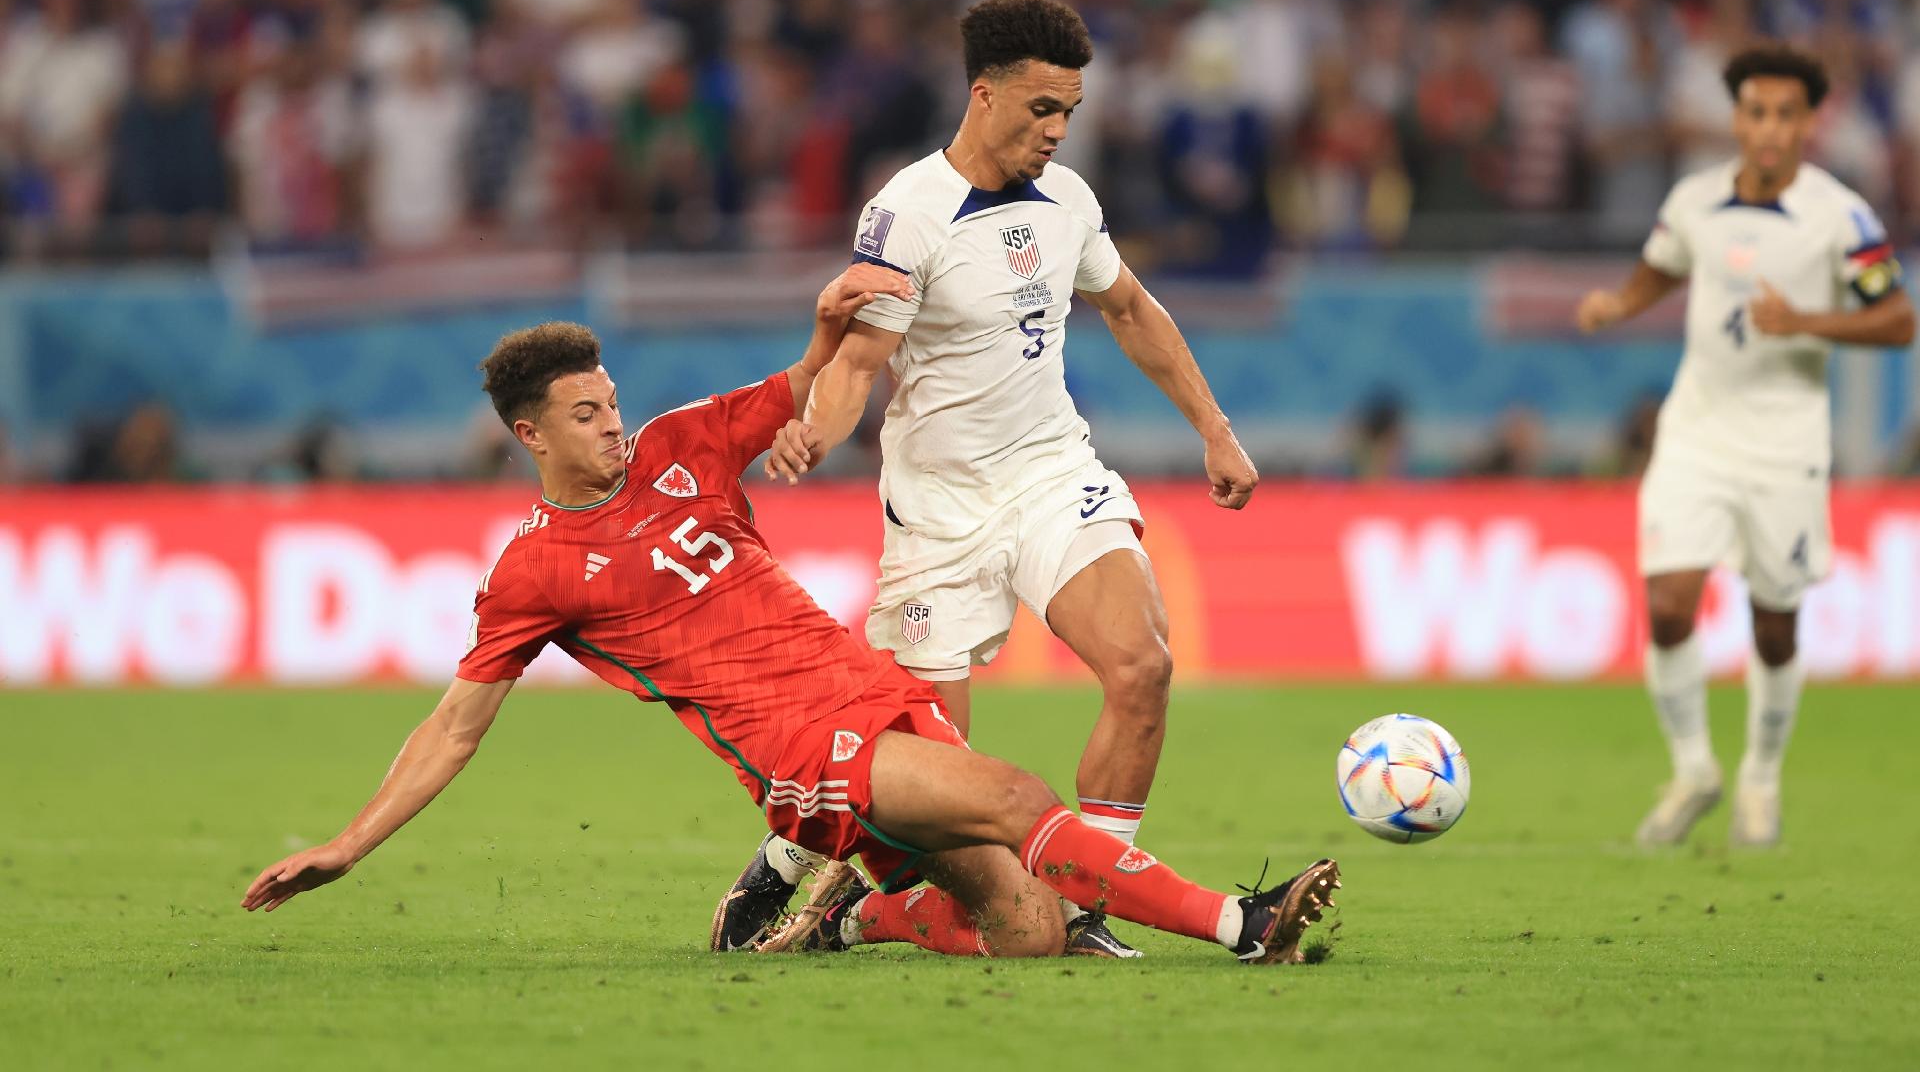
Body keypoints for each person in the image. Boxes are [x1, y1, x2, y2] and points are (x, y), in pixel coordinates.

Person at [240, 298, 1340, 968]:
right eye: (585, 413)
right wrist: (349, 841)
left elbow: (806, 387)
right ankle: (1244, 923)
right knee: (1015, 795)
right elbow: (454, 728)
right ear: (529, 434)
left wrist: (826, 333)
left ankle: (854, 925)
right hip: (805, 752)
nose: (614, 421)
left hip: (869, 690)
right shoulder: (532, 572)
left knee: (1030, 929)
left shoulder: (681, 445)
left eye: (612, 399)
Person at [714, 0, 1260, 958]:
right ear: (984, 93)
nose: (1057, 131)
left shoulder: (1072, 203)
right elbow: (857, 363)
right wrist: (814, 432)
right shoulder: (907, 213)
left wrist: (1216, 431)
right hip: (939, 514)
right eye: (1042, 109)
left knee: (1143, 665)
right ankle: (805, 872)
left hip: (1052, 474)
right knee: (933, 793)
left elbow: (1132, 310)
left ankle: (1090, 902)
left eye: (1069, 114)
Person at [1575, 44, 1914, 849]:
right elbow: (1663, 265)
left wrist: (1806, 322)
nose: (1769, 129)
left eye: (1785, 114)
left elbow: (1898, 319)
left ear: (1807, 122)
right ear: (1737, 118)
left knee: (1773, 624)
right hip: (1696, 429)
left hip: (1787, 442)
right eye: (1755, 112)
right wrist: (1619, 304)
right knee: (1666, 603)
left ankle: (1760, 775)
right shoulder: (1695, 199)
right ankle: (1695, 768)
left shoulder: (1842, 215)